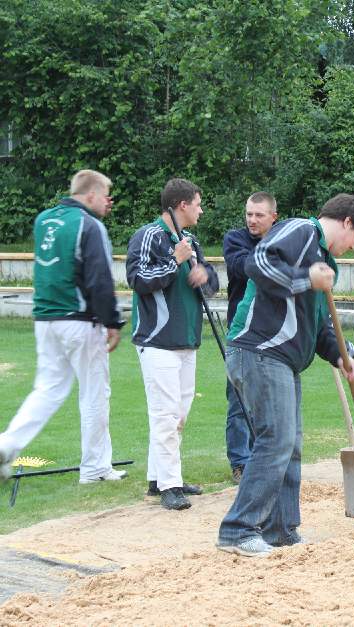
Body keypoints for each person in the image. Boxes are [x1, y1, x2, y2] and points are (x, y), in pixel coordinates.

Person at [217, 193, 354, 557]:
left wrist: (339, 354)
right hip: (258, 350)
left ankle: (281, 530)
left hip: (282, 360)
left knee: (290, 445)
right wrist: (306, 279)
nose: (352, 247)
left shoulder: (327, 265)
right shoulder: (302, 230)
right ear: (347, 222)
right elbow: (257, 263)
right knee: (277, 440)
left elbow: (318, 326)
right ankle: (238, 530)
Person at [0, 170, 126, 483]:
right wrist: (112, 321)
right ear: (91, 194)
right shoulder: (89, 225)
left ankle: (6, 445)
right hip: (79, 321)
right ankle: (95, 469)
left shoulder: (43, 220)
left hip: (45, 319)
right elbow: (99, 278)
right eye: (105, 195)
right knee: (94, 394)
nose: (108, 202)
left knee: (47, 389)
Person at [126, 178, 219, 510]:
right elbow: (137, 280)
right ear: (182, 205)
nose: (201, 210)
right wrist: (175, 262)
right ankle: (170, 485)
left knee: (179, 414)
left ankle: (158, 478)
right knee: (165, 414)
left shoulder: (191, 240)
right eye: (198, 204)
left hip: (187, 338)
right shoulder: (147, 236)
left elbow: (212, 281)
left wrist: (204, 276)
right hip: (157, 340)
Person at [222, 192, 278, 484]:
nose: (252, 220)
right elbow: (243, 266)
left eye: (259, 215)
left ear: (273, 217)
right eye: (249, 214)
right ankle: (240, 462)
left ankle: (262, 458)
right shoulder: (235, 239)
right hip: (241, 335)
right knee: (239, 402)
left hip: (273, 335)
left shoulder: (281, 240)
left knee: (268, 401)